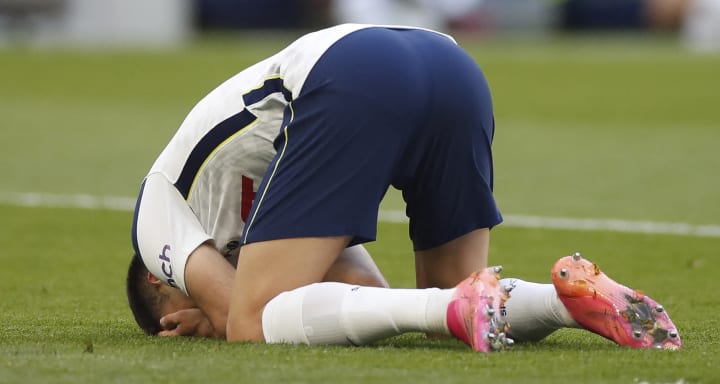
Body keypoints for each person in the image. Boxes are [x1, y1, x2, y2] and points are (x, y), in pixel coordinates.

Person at [129, 23, 681, 351]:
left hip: (351, 72)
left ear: (166, 295)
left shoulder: (157, 214)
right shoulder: (257, 217)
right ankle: (569, 302)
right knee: (452, 302)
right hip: (451, 67)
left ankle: (543, 303)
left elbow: (234, 315)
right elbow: (374, 298)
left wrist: (216, 314)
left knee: (254, 322)